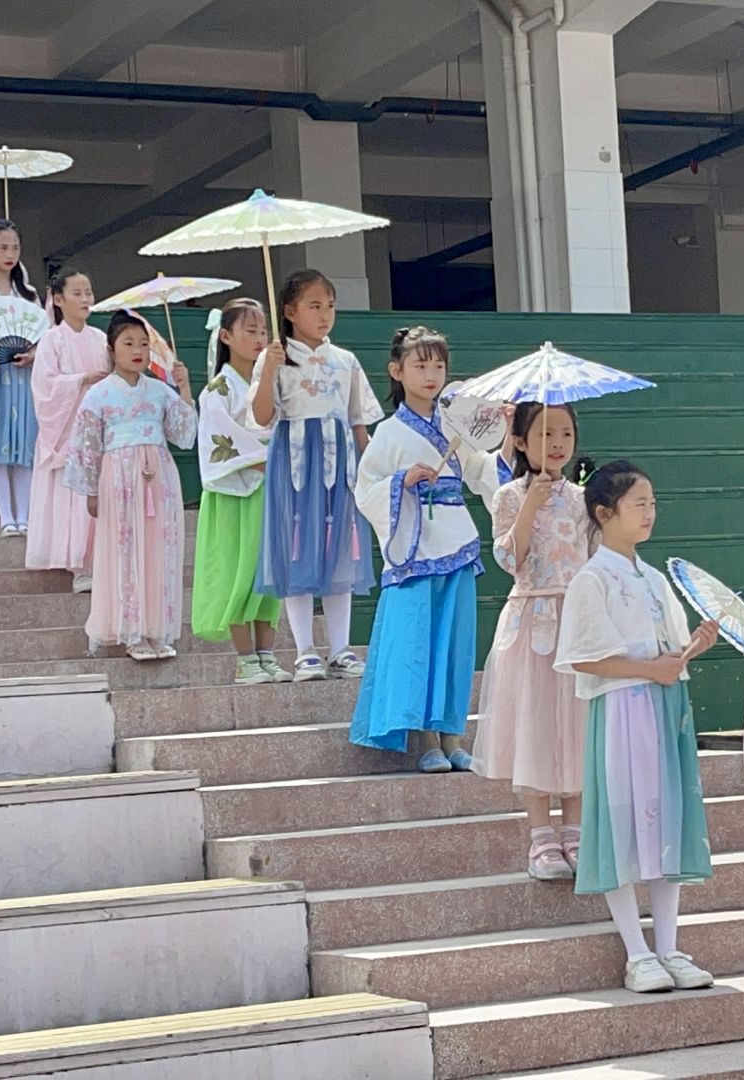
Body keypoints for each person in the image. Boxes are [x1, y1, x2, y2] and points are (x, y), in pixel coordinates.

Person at [554, 459, 720, 994]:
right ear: (605, 513)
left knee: (665, 821)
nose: (649, 512)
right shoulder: (591, 579)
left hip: (664, 707)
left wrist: (693, 645)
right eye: (638, 503)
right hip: (622, 709)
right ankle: (637, 951)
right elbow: (585, 657)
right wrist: (650, 669)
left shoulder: (651, 577)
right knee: (625, 822)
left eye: (652, 502)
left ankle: (669, 947)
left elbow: (668, 653)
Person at [351, 327, 503, 767]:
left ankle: (454, 738)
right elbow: (366, 489)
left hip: (456, 538)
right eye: (420, 365)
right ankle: (427, 742)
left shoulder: (457, 425)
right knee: (417, 643)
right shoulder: (388, 433)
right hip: (415, 545)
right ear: (396, 371)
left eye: (438, 365)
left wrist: (505, 436)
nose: (431, 374)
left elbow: (481, 471)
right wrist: (403, 481)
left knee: (456, 644)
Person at [474, 404, 592, 878]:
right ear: (520, 442)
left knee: (578, 724)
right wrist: (529, 508)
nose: (558, 442)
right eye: (545, 434)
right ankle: (541, 836)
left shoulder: (586, 499)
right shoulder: (508, 496)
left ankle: (578, 833)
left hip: (577, 621)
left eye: (565, 433)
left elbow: (596, 558)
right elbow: (510, 559)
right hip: (531, 620)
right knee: (536, 722)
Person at [246, 269, 381, 681]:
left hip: (340, 466)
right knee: (297, 551)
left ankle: (341, 648)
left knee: (342, 551)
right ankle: (305, 649)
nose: (324, 315)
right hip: (296, 465)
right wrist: (268, 370)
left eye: (330, 306)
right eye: (314, 306)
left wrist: (374, 469)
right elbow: (261, 416)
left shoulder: (346, 361)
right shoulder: (276, 358)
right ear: (289, 311)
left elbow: (359, 421)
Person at [64, 310, 197, 659]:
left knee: (159, 549)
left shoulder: (159, 391)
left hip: (159, 476)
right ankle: (132, 631)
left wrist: (183, 387)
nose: (138, 350)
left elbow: (183, 435)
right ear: (111, 349)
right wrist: (91, 490)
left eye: (143, 344)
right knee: (126, 549)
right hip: (118, 476)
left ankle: (157, 631)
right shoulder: (99, 394)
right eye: (128, 343)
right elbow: (88, 445)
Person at [28, 271, 159, 593]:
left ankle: (102, 561)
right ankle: (79, 565)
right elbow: (44, 385)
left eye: (89, 292)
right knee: (75, 495)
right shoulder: (52, 339)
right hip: (68, 424)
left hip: (101, 424)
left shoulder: (100, 338)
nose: (86, 299)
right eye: (78, 293)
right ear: (58, 299)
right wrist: (82, 379)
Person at [193, 298, 288, 684]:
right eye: (250, 331)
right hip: (236, 488)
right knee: (238, 570)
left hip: (269, 483)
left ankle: (266, 653)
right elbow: (220, 435)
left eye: (263, 331)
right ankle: (245, 658)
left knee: (270, 572)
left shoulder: (272, 382)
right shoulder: (218, 388)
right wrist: (260, 456)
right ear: (227, 336)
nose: (259, 338)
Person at [0, 219, 46, 537]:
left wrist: (33, 355)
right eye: (2, 247)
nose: (10, 254)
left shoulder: (27, 294)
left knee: (24, 444)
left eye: (15, 247)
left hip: (22, 376)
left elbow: (43, 335)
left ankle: (26, 517)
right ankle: (6, 516)